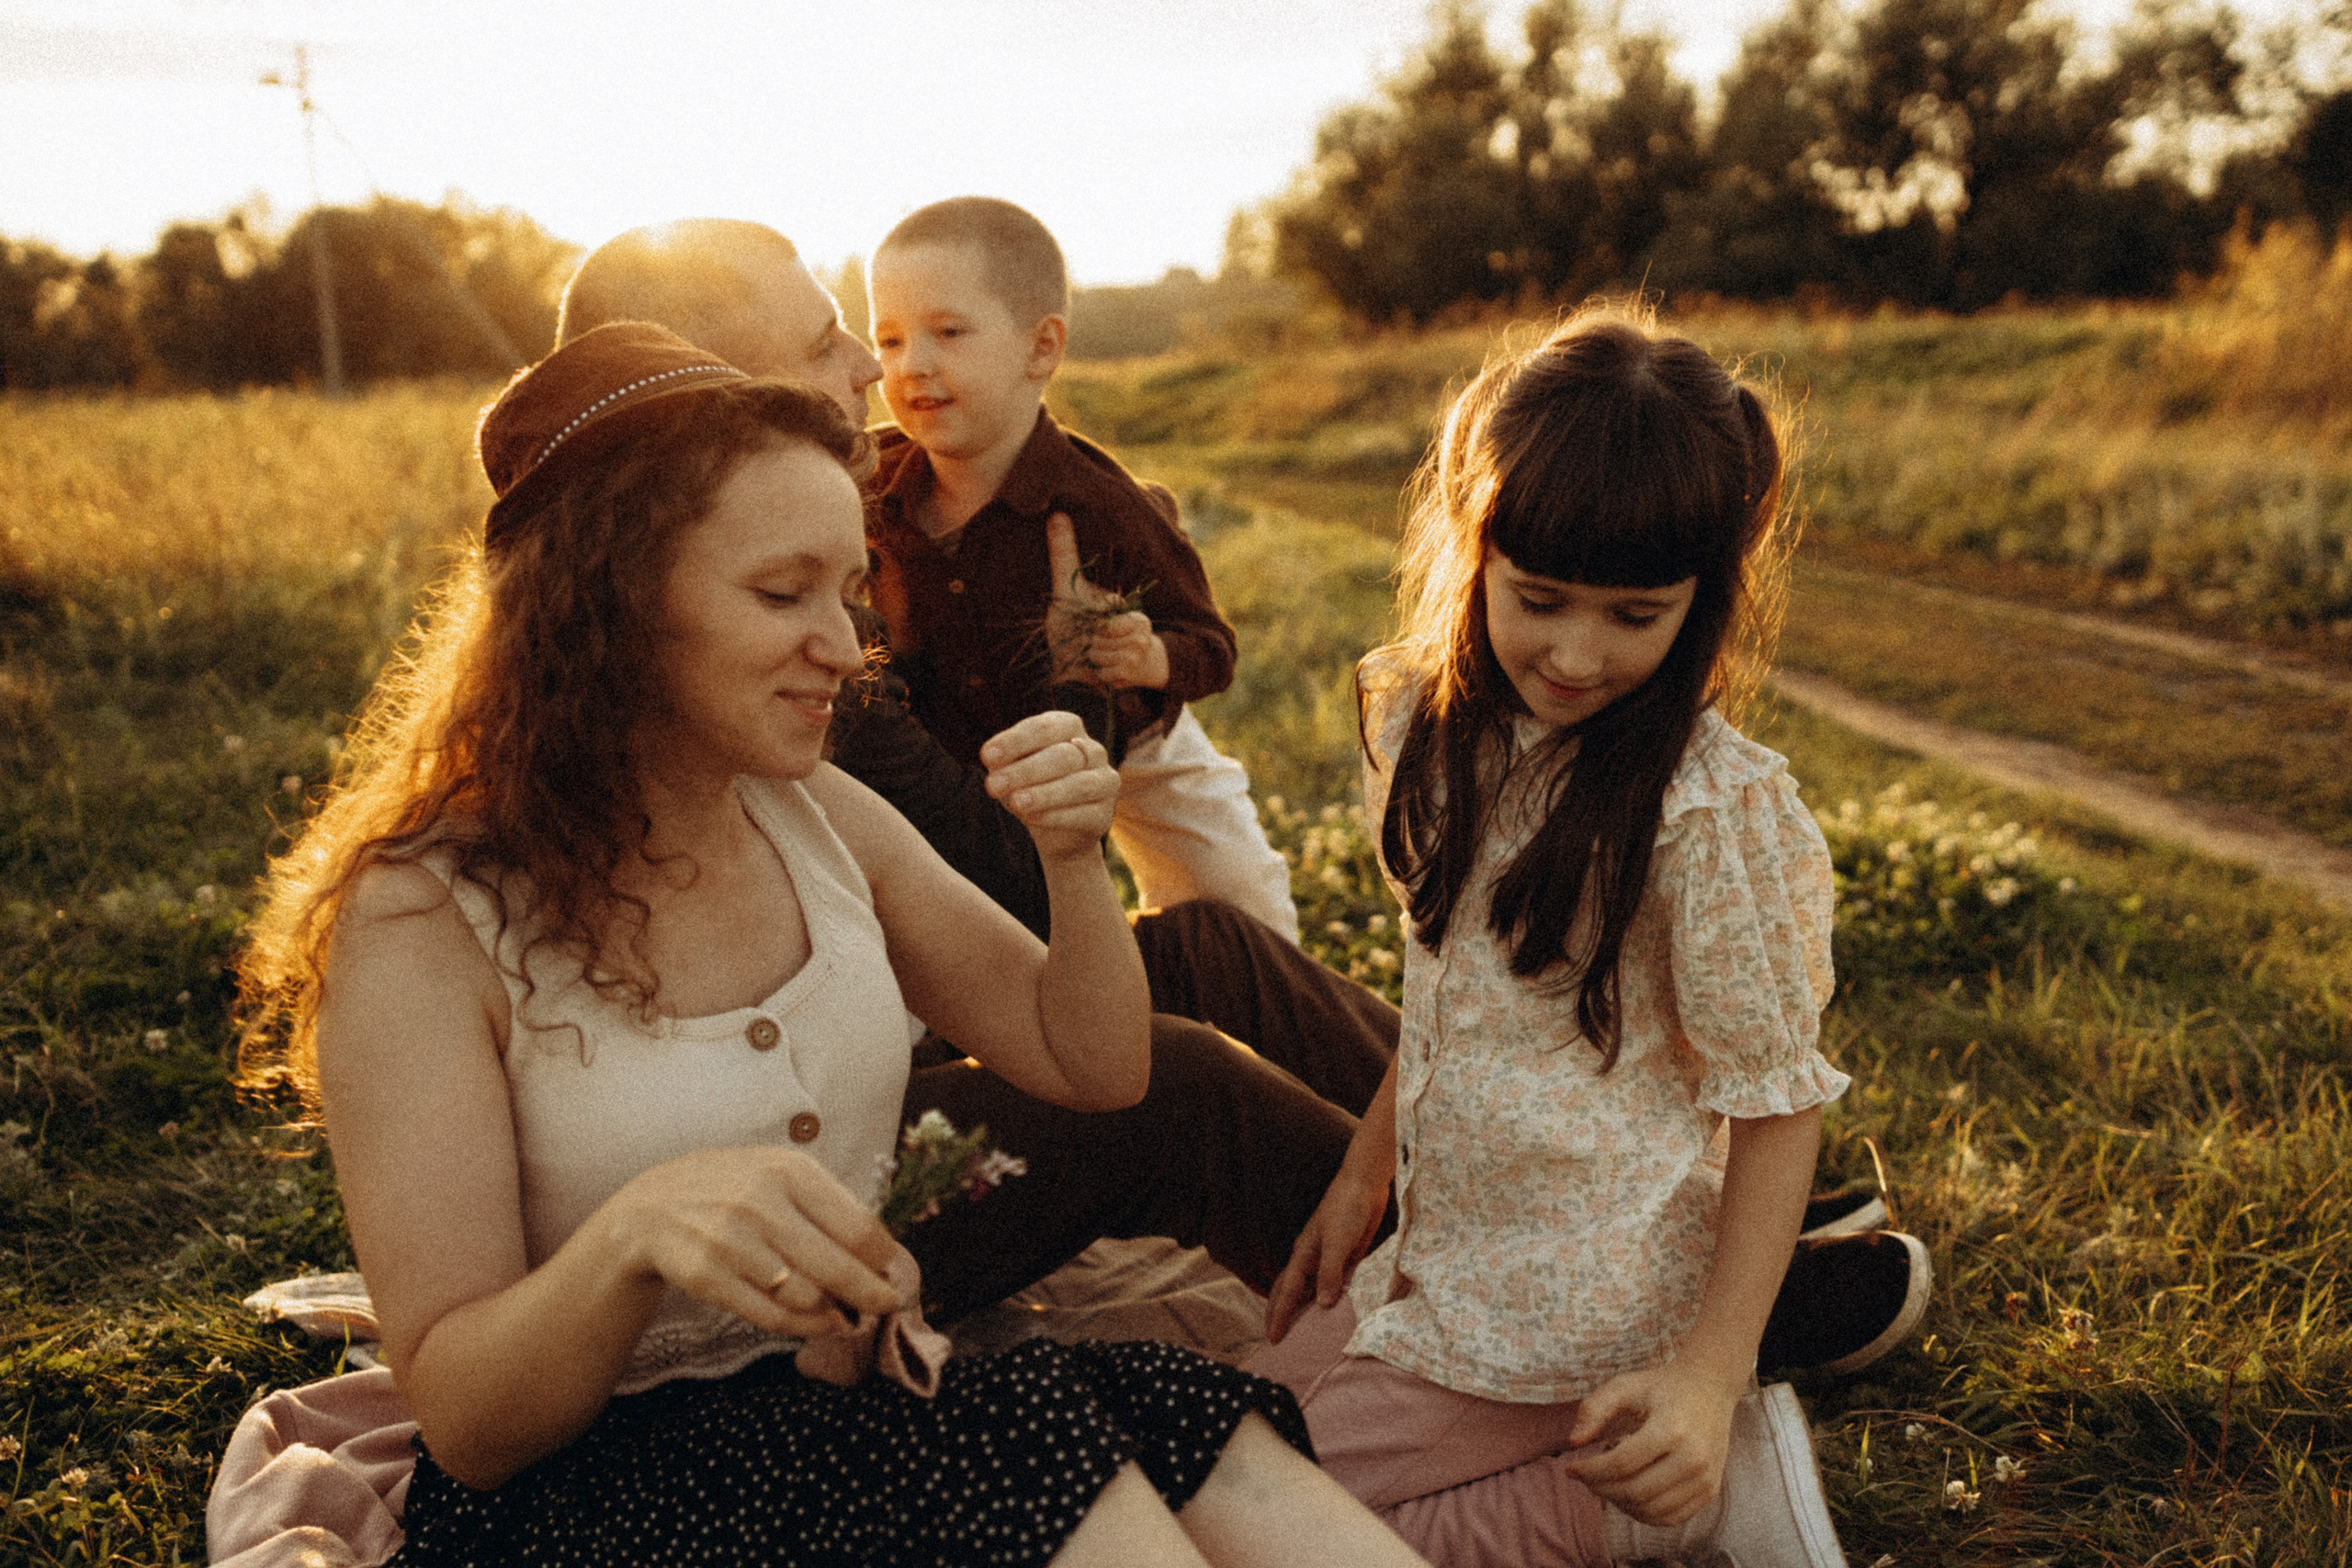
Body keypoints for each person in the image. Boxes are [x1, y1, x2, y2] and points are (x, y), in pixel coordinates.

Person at [548, 219, 1931, 1371]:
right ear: (705, 405)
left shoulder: (800, 573)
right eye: (823, 345)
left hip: (894, 1022)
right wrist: (1069, 714)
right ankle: (1596, 1303)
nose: (870, 364)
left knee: (1213, 949)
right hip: (820, 1132)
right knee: (1185, 1086)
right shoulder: (753, 656)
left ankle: (1666, 1204)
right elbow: (996, 883)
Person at [233, 321, 1429, 1566]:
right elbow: (469, 1424)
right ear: (609, 601)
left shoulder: (816, 814)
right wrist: (636, 1234)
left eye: (850, 590)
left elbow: (1095, 1063)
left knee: (1190, 1427)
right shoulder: (424, 916)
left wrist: (1074, 858)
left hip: (844, 1409)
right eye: (781, 592)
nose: (845, 645)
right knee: (1040, 1457)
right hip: (591, 1493)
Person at [1249, 312, 1864, 1568]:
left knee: (1241, 1505)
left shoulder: (1704, 810)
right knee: (1230, 1432)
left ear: (1705, 601)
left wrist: (1709, 1372)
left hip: (1584, 1296)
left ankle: (1666, 1490)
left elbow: (1775, 1104)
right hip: (1442, 1258)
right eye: (1538, 600)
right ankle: (1613, 1470)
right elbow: (1451, 994)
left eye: (1635, 615)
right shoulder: (1427, 724)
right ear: (1472, 544)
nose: (1576, 655)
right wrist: (1365, 1175)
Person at [864, 196, 1301, 942]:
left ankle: (1258, 978)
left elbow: (1212, 646)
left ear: (1041, 348)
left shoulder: (1103, 505)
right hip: (961, 747)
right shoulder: (869, 484)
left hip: (1127, 739)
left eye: (948, 332)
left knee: (1236, 891)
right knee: (970, 921)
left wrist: (1150, 657)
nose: (914, 364)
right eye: (890, 339)